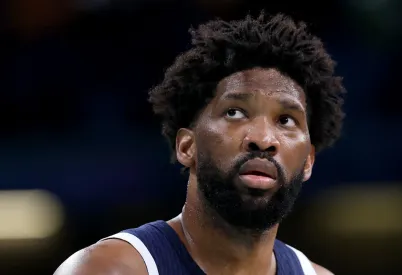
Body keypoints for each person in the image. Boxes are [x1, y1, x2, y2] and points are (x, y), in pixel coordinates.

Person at [54, 12, 345, 275]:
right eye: (235, 113)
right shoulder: (108, 269)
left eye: (285, 120)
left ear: (308, 160)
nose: (263, 139)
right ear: (186, 147)